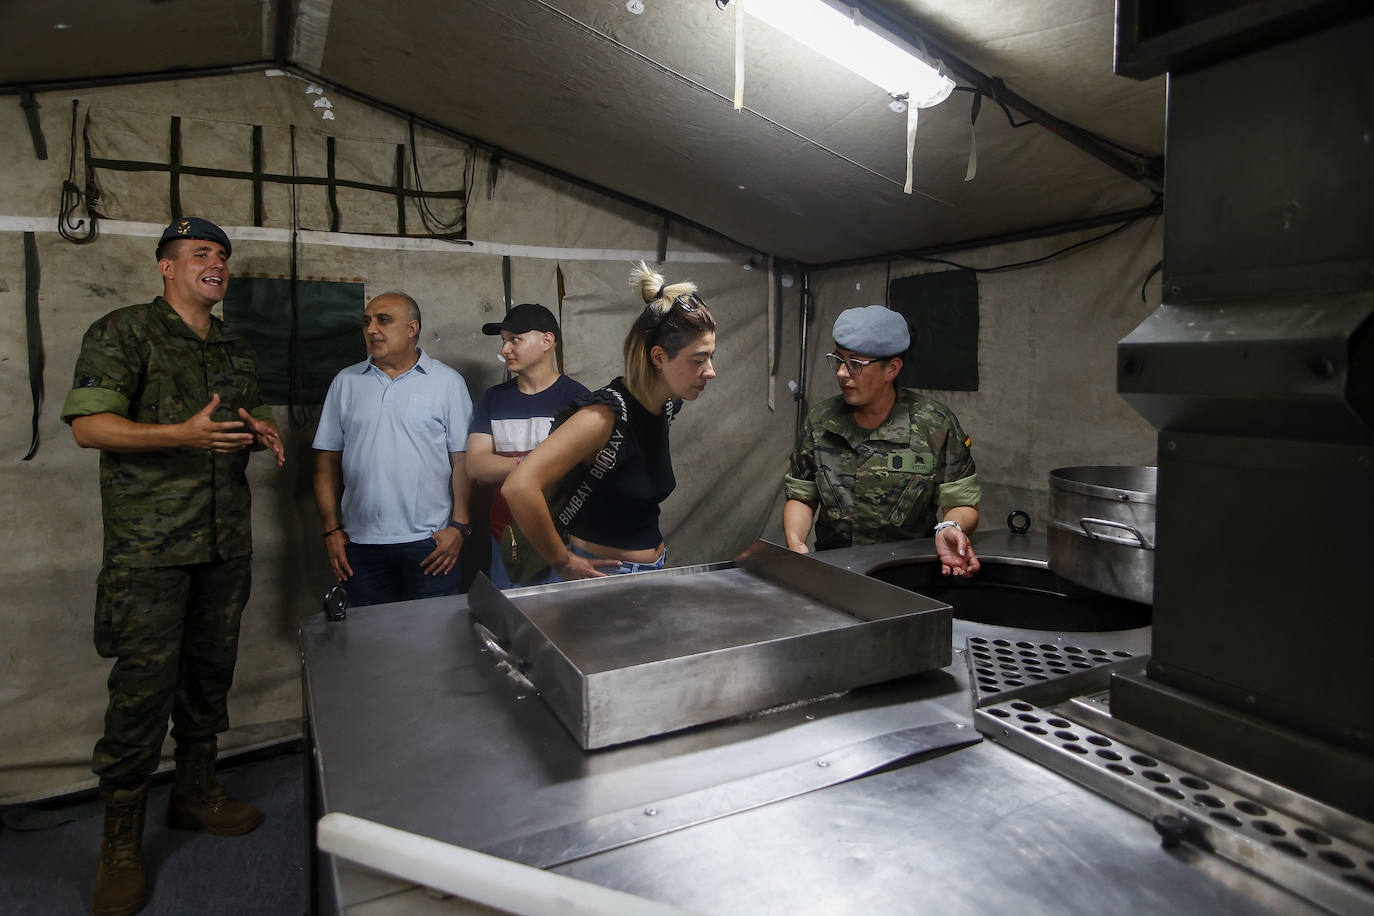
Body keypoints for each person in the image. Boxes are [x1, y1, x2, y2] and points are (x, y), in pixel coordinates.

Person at [61, 217, 286, 916]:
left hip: (223, 546)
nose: (213, 264)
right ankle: (120, 845)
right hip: (150, 553)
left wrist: (257, 430)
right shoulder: (122, 331)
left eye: (220, 255)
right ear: (166, 266)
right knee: (139, 696)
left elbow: (236, 421)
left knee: (207, 678)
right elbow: (89, 425)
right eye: (198, 254)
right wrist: (177, 434)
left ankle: (194, 795)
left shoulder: (233, 346)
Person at [502, 262, 716, 580]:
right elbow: (519, 487)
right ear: (658, 357)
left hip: (649, 572)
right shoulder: (603, 416)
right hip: (604, 578)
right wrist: (562, 562)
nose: (710, 371)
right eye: (698, 360)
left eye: (711, 357)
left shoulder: (665, 406)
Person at [783, 304, 982, 577]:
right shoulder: (820, 421)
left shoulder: (934, 424)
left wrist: (950, 527)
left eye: (855, 364)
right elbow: (802, 496)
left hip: (909, 576)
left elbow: (961, 502)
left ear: (892, 369)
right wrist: (796, 542)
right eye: (839, 359)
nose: (842, 372)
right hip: (836, 573)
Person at [312, 292, 474, 606]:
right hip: (359, 545)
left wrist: (459, 526)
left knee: (436, 641)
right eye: (367, 322)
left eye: (383, 320)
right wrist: (331, 530)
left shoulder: (446, 383)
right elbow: (325, 461)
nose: (371, 329)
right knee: (371, 644)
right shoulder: (346, 382)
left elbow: (463, 459)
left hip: (431, 544)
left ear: (412, 328)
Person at [466, 303, 589, 587]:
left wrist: (509, 467)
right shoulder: (493, 400)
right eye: (504, 341)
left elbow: (580, 473)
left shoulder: (580, 400)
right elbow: (476, 466)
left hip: (565, 543)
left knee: (565, 628)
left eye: (515, 340)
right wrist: (535, 466)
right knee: (511, 627)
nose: (505, 349)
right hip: (508, 543)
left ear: (547, 341)